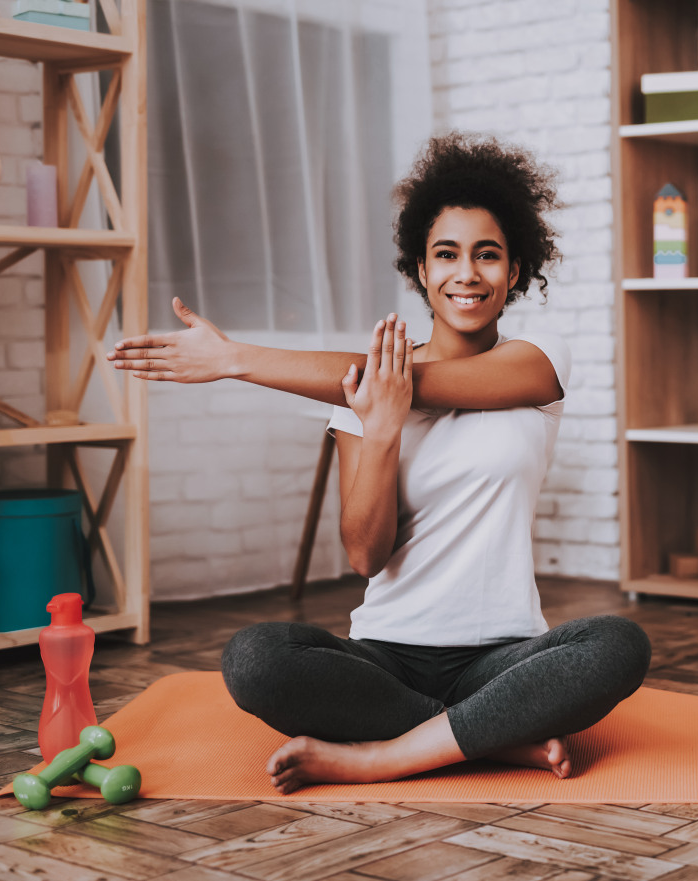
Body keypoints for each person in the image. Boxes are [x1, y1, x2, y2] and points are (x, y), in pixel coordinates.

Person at [107, 132, 651, 793]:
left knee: (619, 643)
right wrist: (383, 430)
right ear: (421, 270)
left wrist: (236, 360)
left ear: (514, 270)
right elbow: (366, 555)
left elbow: (410, 380)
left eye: (488, 255)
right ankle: (490, 737)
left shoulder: (539, 358)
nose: (467, 273)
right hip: (385, 658)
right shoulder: (362, 400)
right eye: (446, 254)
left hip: (504, 656)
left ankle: (382, 755)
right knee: (254, 658)